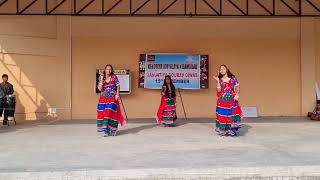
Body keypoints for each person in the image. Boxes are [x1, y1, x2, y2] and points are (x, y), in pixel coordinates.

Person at [213, 65, 242, 136]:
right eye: (220, 69)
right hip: (222, 100)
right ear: (219, 71)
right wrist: (217, 81)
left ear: (227, 69)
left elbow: (237, 87)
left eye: (223, 69)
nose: (222, 70)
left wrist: (237, 94)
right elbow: (219, 90)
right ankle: (223, 130)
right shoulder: (220, 79)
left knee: (231, 114)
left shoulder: (233, 78)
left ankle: (230, 130)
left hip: (231, 100)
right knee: (223, 114)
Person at [97, 64, 124, 136]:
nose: (108, 70)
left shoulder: (114, 77)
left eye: (110, 69)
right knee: (103, 113)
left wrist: (117, 95)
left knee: (110, 112)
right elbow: (100, 89)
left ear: (111, 70)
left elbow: (118, 86)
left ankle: (113, 129)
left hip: (112, 97)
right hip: (103, 98)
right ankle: (106, 130)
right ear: (105, 70)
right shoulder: (101, 77)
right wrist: (102, 80)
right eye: (107, 69)